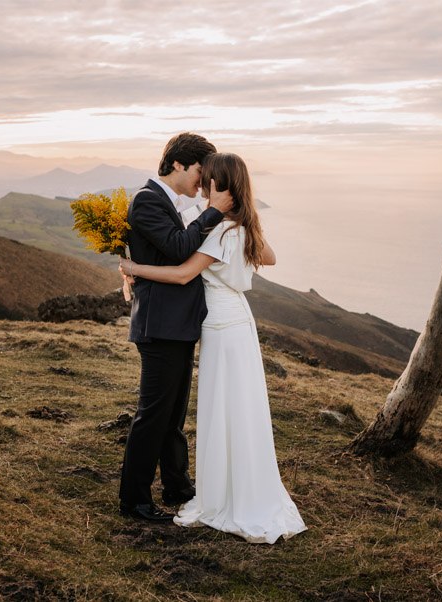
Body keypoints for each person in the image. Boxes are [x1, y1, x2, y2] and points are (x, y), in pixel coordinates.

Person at [121, 153, 307, 544]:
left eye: (210, 180)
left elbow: (184, 272)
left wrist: (133, 269)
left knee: (223, 406)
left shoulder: (218, 231)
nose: (202, 184)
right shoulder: (240, 228)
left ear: (220, 185)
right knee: (240, 406)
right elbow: (268, 257)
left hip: (221, 326)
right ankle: (232, 487)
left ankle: (223, 493)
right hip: (238, 319)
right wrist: (244, 224)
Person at [118, 133, 234, 523]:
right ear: (181, 164)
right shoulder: (148, 199)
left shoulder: (167, 202)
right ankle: (134, 499)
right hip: (160, 326)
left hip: (176, 326)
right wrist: (214, 210)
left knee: (172, 416)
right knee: (153, 415)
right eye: (202, 171)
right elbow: (180, 247)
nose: (204, 182)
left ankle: (177, 485)